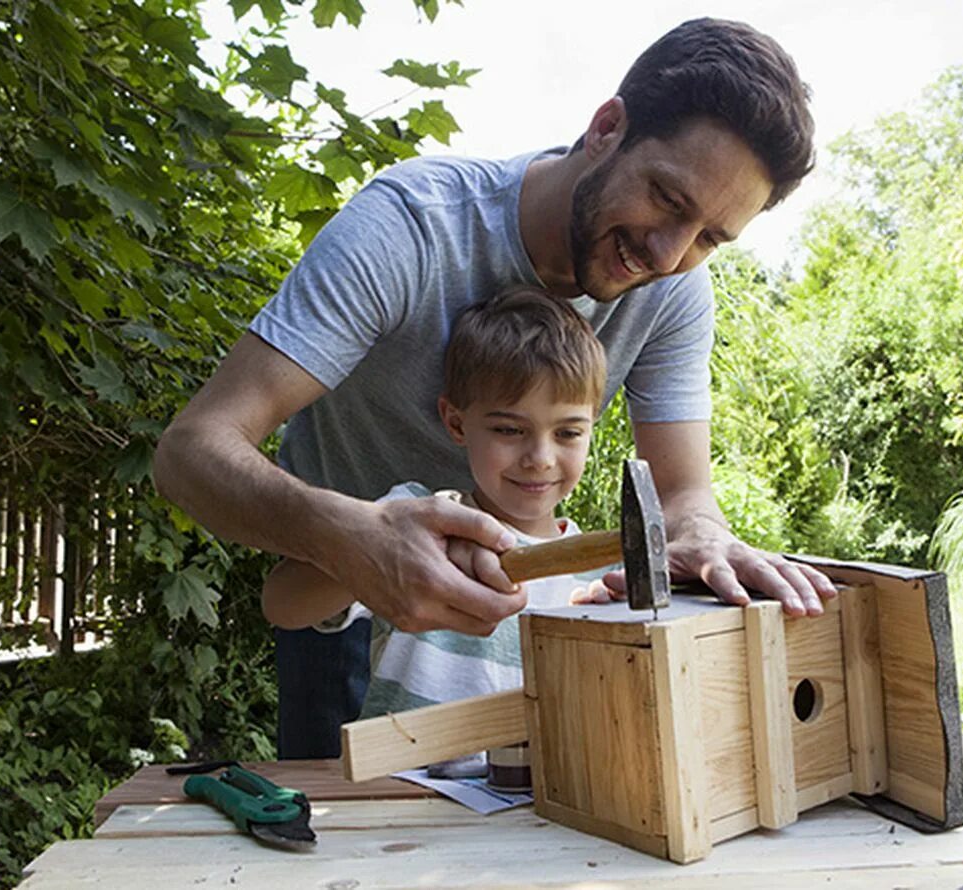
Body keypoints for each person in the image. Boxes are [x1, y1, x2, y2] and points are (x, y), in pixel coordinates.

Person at [152, 17, 838, 759]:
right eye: (668, 200)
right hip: (342, 593)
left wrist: (701, 532)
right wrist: (351, 540)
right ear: (607, 128)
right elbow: (192, 451)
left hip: (519, 623)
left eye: (709, 238)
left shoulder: (673, 292)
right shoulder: (412, 227)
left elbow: (681, 495)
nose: (668, 255)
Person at [262, 287, 615, 772]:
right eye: (509, 430)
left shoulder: (598, 582)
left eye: (568, 432)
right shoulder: (412, 524)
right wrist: (369, 556)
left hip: (527, 807)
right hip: (397, 793)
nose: (540, 458)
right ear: (456, 422)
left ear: (593, 426)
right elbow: (283, 605)